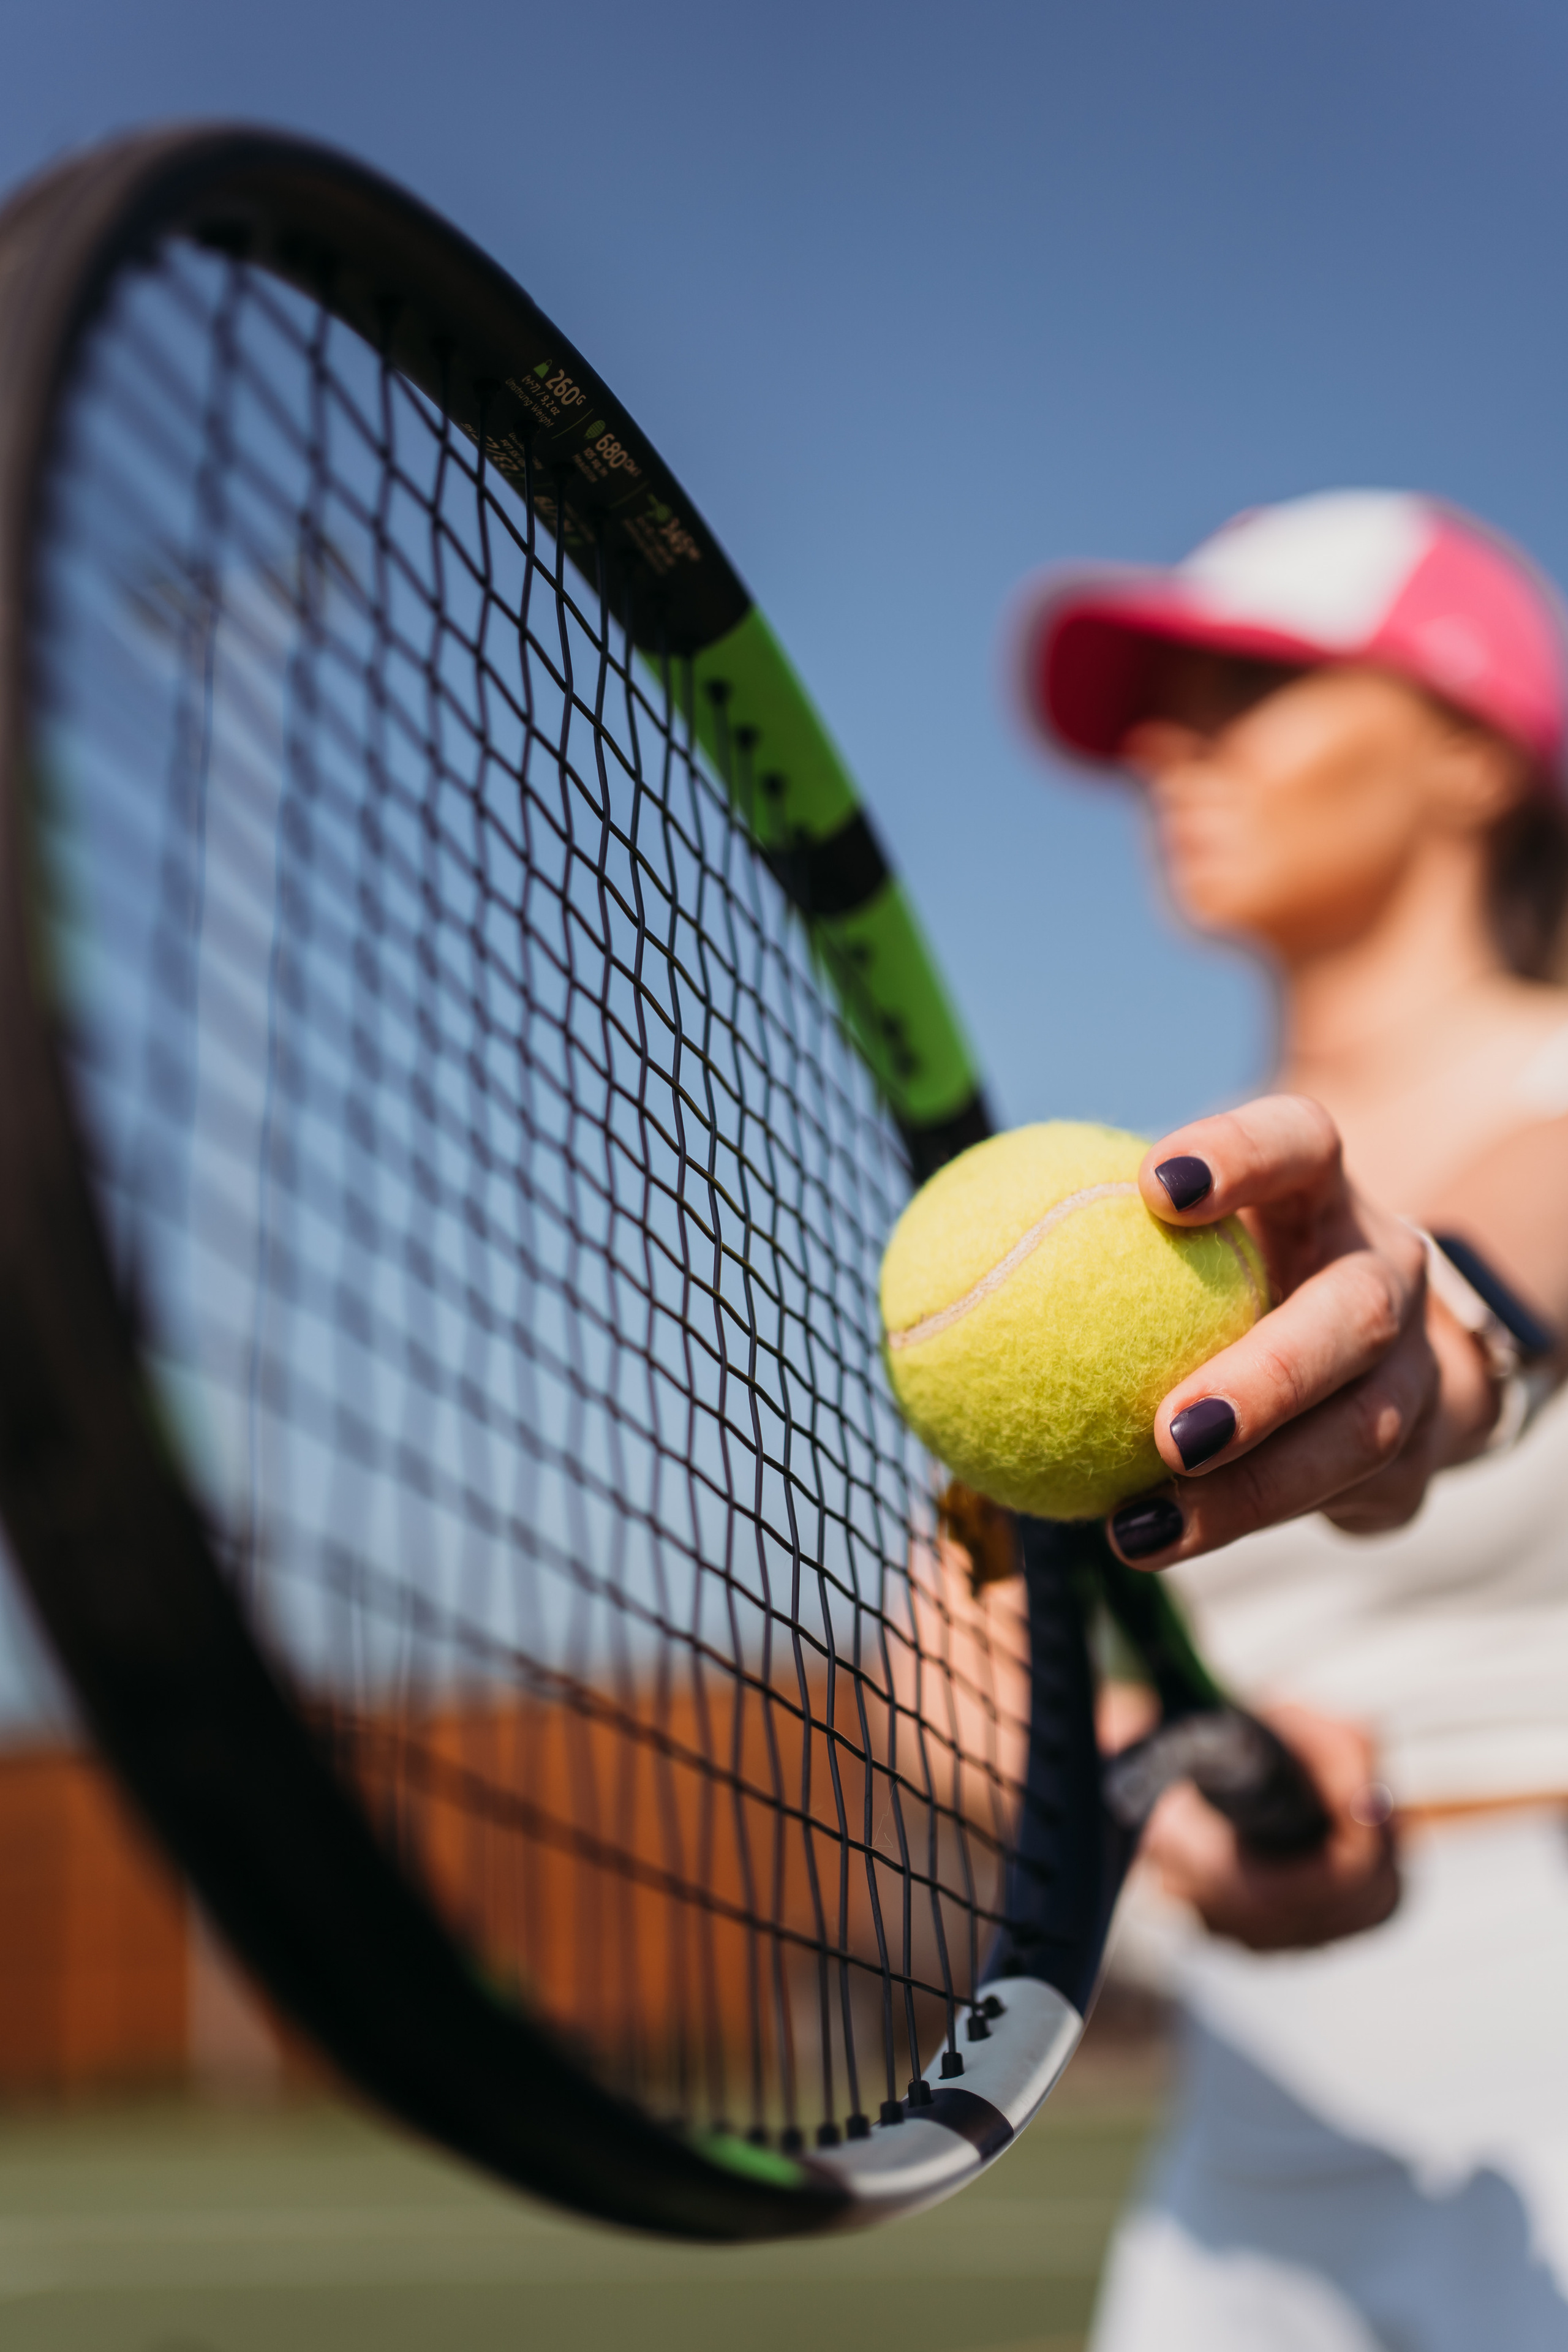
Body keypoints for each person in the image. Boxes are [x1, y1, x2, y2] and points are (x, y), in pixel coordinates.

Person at [1017, 489, 1568, 2348]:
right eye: (1161, 713)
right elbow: (962, 1651)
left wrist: (1446, 1346)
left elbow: (1515, 1249)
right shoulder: (1120, 1235)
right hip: (1248, 2140)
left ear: (1474, 754)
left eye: (1247, 692)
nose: (1171, 751)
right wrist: (1134, 1769)